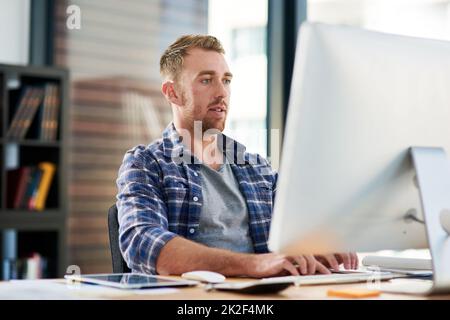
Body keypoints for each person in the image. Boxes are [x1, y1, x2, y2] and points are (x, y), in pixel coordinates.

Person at [116, 35, 358, 278]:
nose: (222, 92)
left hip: (266, 296)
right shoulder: (146, 163)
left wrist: (317, 248)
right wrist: (254, 265)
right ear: (172, 93)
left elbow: (294, 231)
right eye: (206, 80)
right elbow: (143, 244)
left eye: (226, 80)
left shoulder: (257, 168)